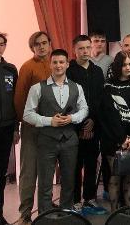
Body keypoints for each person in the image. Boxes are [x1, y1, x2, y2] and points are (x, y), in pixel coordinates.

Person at [23, 49, 89, 214]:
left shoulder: (77, 87)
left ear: (67, 64)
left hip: (70, 140)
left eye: (61, 62)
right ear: (50, 64)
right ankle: (45, 217)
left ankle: (66, 215)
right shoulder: (37, 88)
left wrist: (72, 118)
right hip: (46, 140)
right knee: (45, 182)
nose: (58, 65)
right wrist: (49, 121)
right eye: (55, 62)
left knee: (69, 181)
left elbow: (84, 109)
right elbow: (27, 114)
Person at [14, 31, 52, 225]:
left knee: (47, 170)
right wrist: (26, 122)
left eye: (44, 42)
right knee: (29, 172)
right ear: (32, 47)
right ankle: (25, 213)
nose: (42, 46)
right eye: (37, 44)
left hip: (52, 127)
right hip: (32, 127)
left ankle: (46, 211)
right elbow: (19, 98)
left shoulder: (56, 64)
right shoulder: (28, 67)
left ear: (49, 44)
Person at [100, 52, 130, 212]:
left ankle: (129, 211)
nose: (128, 68)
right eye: (124, 64)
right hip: (113, 140)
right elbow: (109, 116)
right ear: (118, 66)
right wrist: (122, 139)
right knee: (115, 177)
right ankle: (114, 213)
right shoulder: (108, 86)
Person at [67, 35, 107, 215]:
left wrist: (92, 120)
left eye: (87, 47)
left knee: (92, 163)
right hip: (75, 126)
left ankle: (89, 198)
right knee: (75, 164)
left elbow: (100, 98)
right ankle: (75, 201)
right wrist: (83, 123)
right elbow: (69, 100)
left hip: (94, 125)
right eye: (81, 48)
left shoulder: (97, 71)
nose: (85, 51)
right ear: (74, 50)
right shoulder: (69, 71)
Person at [0, 32, 19, 225]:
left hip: (7, 128)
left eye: (2, 44)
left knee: (0, 173)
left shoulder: (10, 69)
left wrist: (16, 127)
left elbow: (15, 100)